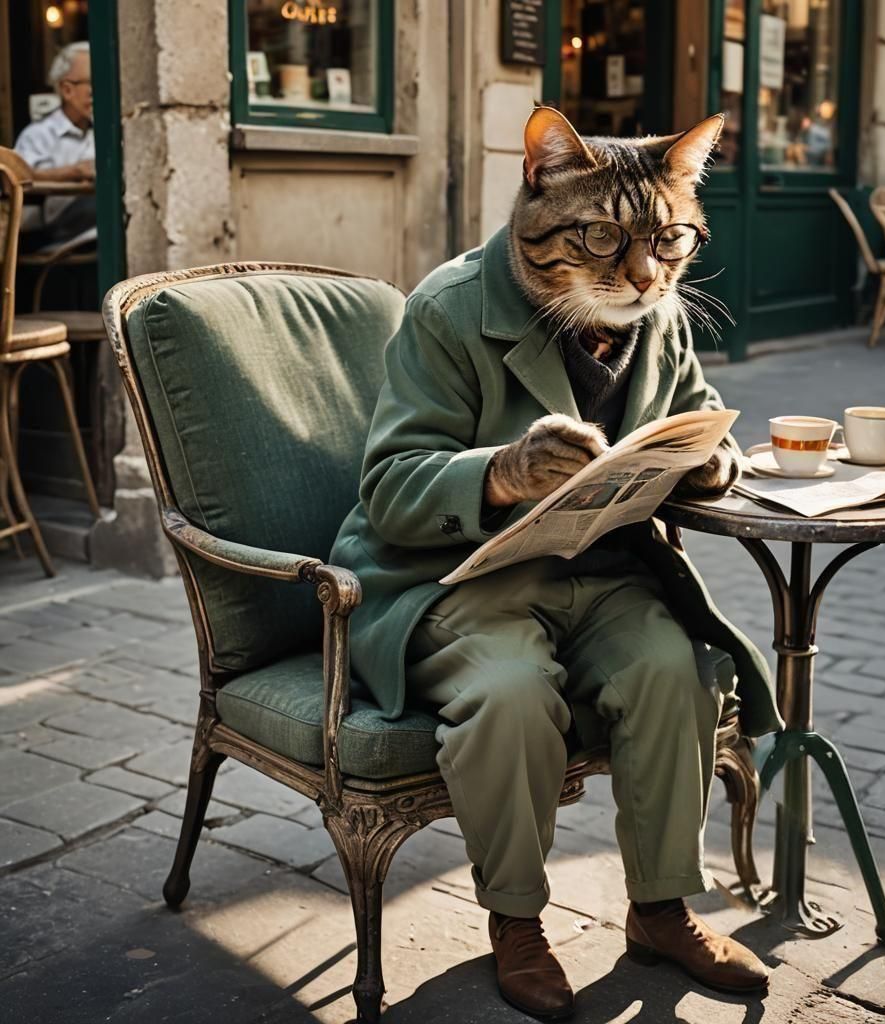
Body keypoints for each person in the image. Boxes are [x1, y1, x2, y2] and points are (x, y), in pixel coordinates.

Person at [331, 107, 781, 1020]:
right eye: (606, 240)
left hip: (603, 574)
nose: (646, 272)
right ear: (542, 186)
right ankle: (517, 923)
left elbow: (702, 414)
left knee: (677, 672)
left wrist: (714, 459)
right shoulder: (450, 309)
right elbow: (389, 488)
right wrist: (501, 471)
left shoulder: (660, 312)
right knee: (508, 695)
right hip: (460, 581)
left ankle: (660, 908)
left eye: (668, 241)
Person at [14, 41, 96, 245]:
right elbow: (18, 177)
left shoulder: (105, 131)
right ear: (67, 90)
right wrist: (76, 172)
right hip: (54, 229)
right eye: (93, 83)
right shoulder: (39, 135)